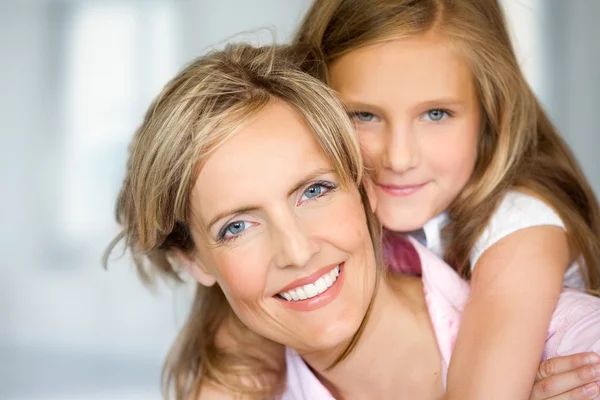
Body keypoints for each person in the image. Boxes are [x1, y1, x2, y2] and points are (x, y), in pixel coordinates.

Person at [106, 43, 600, 399]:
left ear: (366, 186)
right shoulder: (243, 385)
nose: (296, 251)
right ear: (194, 262)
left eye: (314, 191)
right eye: (237, 226)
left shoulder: (575, 355)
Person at [294, 0, 600, 398]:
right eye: (363, 115)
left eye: (435, 114)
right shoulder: (327, 220)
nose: (400, 158)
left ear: (490, 115)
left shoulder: (523, 226)